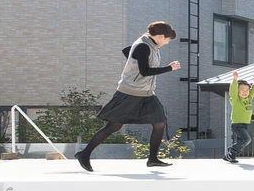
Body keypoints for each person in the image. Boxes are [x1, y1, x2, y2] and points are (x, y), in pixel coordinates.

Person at [75, 21, 181, 171]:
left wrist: (132, 65)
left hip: (147, 93)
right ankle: (84, 154)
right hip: (129, 93)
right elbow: (145, 71)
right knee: (114, 126)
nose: (167, 43)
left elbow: (127, 51)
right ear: (161, 36)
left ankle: (152, 159)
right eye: (167, 40)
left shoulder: (150, 44)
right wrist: (169, 68)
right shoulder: (143, 46)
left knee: (160, 122)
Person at [225, 71, 254, 163]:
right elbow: (232, 91)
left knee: (241, 141)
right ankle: (231, 153)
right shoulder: (236, 100)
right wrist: (234, 80)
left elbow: (253, 91)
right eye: (242, 90)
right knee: (247, 139)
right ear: (237, 91)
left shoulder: (248, 99)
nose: (245, 92)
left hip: (245, 124)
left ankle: (229, 154)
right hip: (237, 124)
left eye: (247, 90)